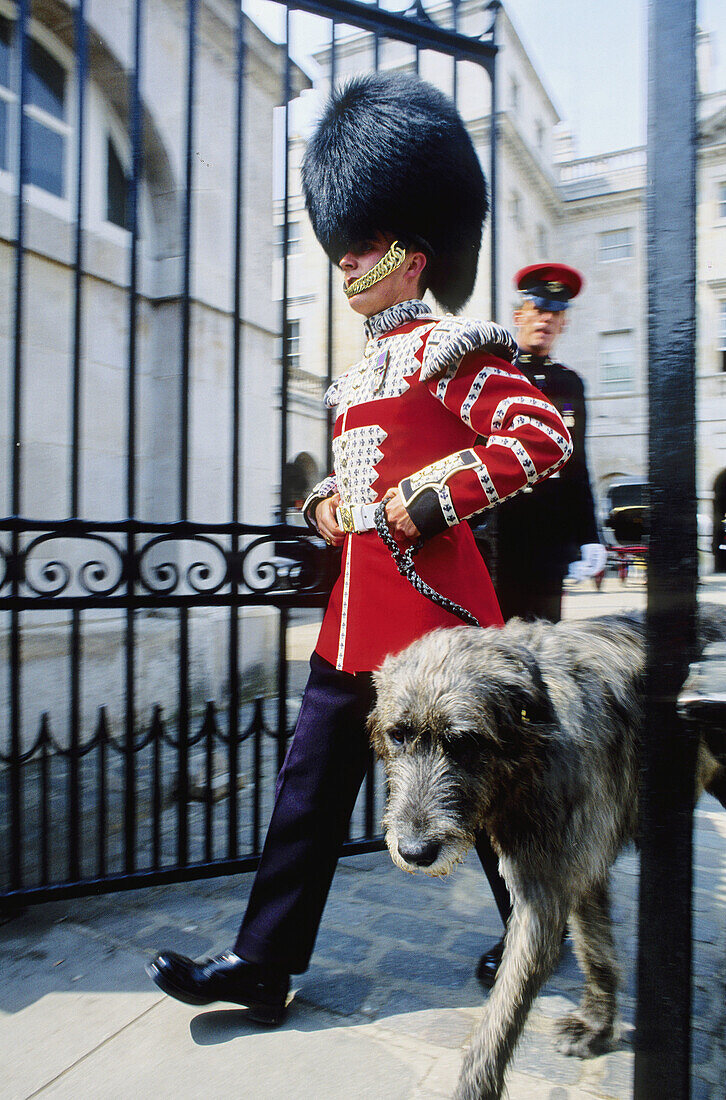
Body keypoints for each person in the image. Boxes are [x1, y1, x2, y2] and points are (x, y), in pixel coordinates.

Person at [146, 72, 572, 1022]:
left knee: (491, 793)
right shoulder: (355, 377)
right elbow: (354, 478)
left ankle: (535, 931)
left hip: (439, 625)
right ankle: (263, 961)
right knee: (306, 793)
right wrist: (327, 505)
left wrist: (431, 498)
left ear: (412, 256)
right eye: (344, 243)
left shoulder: (458, 352)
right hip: (354, 625)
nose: (345, 260)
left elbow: (539, 439)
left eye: (364, 244)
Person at [474, 262, 607, 986]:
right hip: (488, 554)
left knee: (531, 698)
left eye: (557, 313)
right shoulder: (489, 370)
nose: (546, 319)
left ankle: (535, 854)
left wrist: (587, 537)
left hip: (541, 563)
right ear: (518, 310)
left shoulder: (571, 386)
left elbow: (576, 465)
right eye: (536, 307)